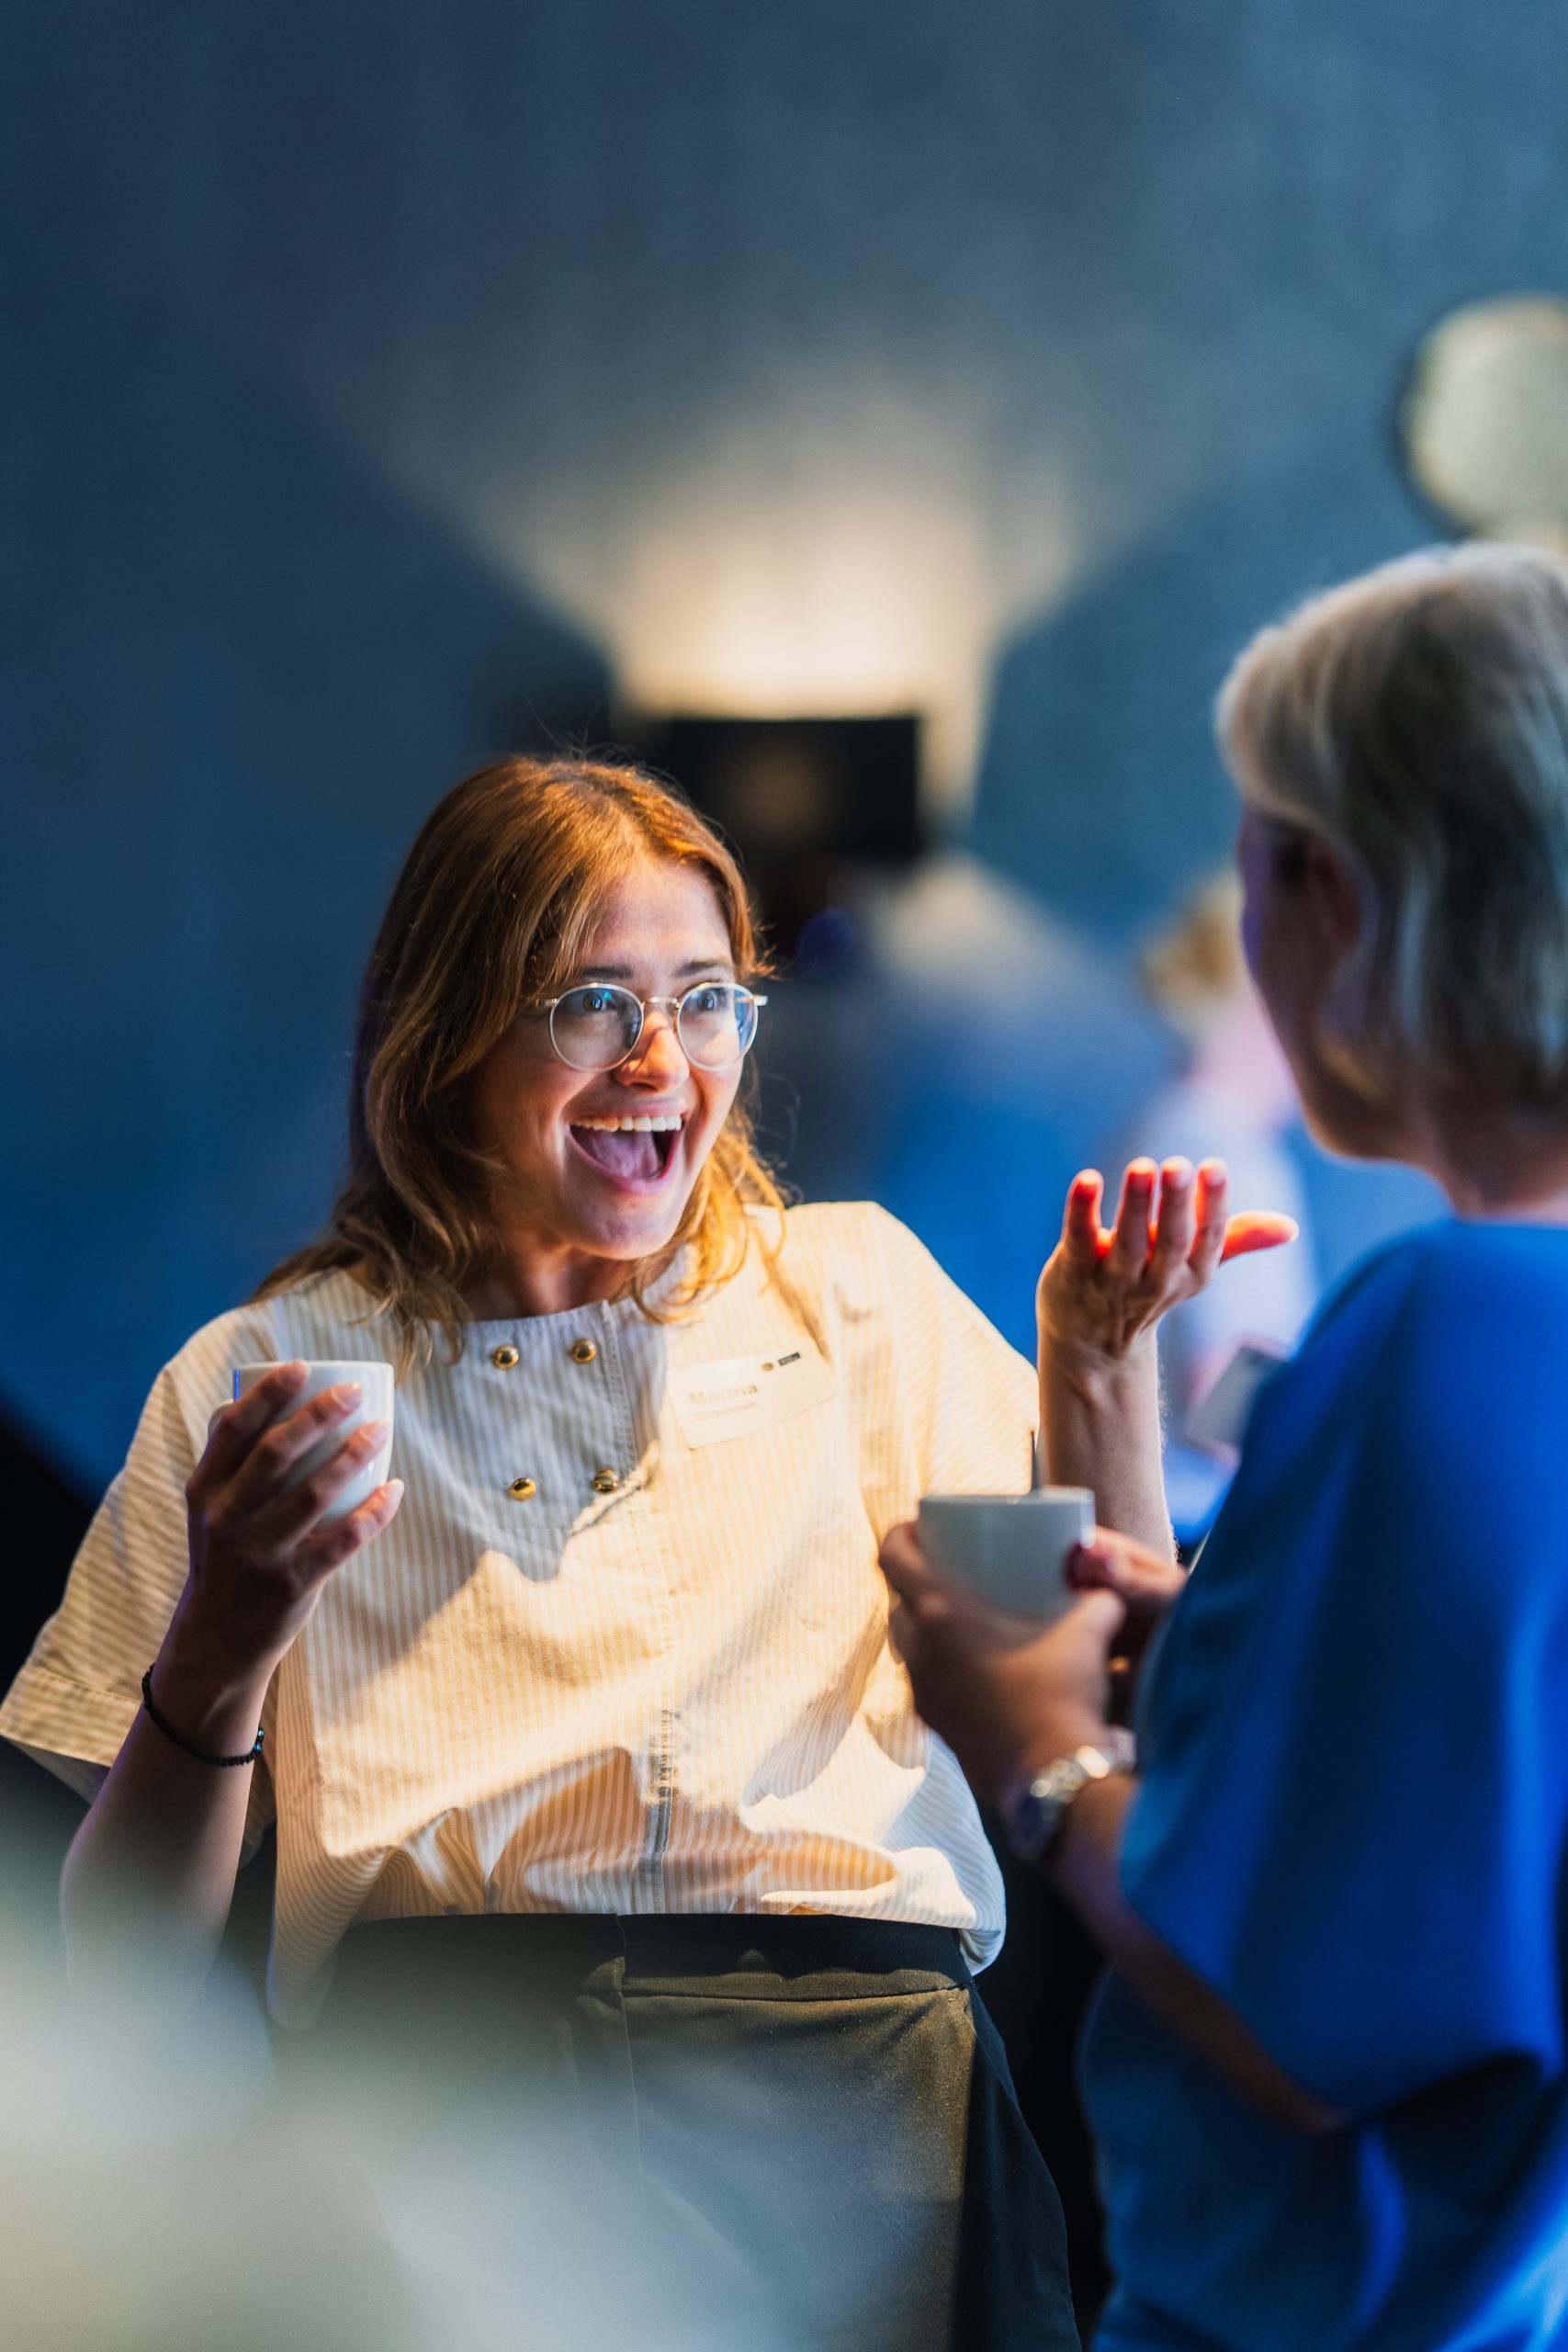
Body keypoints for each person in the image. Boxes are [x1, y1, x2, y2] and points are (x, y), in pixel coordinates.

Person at [5, 754, 1122, 2349]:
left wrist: (1099, 1365)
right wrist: (227, 1632)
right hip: (445, 2129)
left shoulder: (858, 1294)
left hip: (860, 2103)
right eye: (592, 999)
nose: (662, 1057)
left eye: (709, 996)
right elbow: (114, 1971)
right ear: (450, 1030)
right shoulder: (269, 1374)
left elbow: (1081, 1670)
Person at [882, 542, 1568, 2350]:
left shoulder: (1445, 1317)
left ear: (1324, 891)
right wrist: (1096, 1382)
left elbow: (1297, 2011)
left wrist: (1024, 1734)